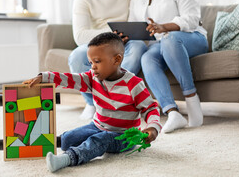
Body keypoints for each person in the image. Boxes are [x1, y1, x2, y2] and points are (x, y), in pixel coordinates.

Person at [23, 32, 161, 172]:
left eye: (97, 61)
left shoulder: (134, 84)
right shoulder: (92, 78)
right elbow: (70, 79)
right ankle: (40, 144)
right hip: (97, 125)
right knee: (71, 137)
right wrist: (45, 77)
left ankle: (68, 158)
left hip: (123, 135)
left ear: (117, 59)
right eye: (90, 63)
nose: (93, 67)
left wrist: (153, 128)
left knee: (98, 140)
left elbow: (150, 108)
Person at [128, 0, 208, 133]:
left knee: (170, 38)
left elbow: (191, 19)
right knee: (147, 58)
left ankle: (191, 99)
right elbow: (134, 23)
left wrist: (164, 26)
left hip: (191, 38)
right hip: (160, 43)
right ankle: (172, 112)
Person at [69, 0, 148, 120]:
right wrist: (111, 35)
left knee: (139, 47)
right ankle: (93, 103)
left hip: (128, 42)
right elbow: (80, 36)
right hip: (100, 44)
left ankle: (118, 100)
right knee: (76, 57)